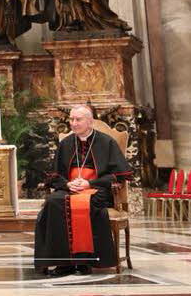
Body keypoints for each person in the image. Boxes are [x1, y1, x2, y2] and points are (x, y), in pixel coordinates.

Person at [34, 105, 131, 276]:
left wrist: (90, 183)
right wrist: (67, 185)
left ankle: (85, 261)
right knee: (54, 202)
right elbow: (55, 175)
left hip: (96, 188)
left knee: (87, 204)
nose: (73, 123)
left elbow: (119, 175)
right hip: (70, 187)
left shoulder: (106, 142)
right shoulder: (66, 143)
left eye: (78, 119)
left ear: (90, 121)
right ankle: (64, 263)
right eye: (71, 119)